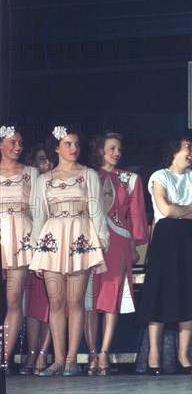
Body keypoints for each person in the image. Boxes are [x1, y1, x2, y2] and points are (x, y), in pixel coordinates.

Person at [29, 125, 109, 377]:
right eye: (68, 144)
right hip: (51, 242)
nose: (74, 148)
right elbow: (38, 217)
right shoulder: (44, 180)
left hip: (80, 240)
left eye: (76, 144)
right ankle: (58, 360)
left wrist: (101, 242)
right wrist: (35, 252)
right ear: (56, 148)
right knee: (56, 303)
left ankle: (72, 359)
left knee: (75, 302)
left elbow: (97, 212)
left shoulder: (89, 175)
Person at [136, 136, 192, 375]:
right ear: (174, 150)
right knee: (160, 293)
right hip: (165, 237)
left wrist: (182, 210)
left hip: (190, 237)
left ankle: (184, 357)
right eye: (188, 147)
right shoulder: (160, 176)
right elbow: (165, 210)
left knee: (189, 293)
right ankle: (153, 357)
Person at [83, 132, 149, 376]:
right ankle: (91, 353)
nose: (116, 153)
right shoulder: (86, 175)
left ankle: (104, 353)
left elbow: (135, 215)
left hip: (119, 243)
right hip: (88, 243)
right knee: (89, 300)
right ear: (100, 150)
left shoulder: (130, 179)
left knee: (111, 299)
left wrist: (133, 246)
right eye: (111, 148)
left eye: (119, 149)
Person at [0, 126, 38, 373]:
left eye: (20, 143)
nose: (18, 147)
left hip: (21, 238)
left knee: (14, 301)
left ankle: (4, 357)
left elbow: (37, 212)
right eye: (12, 142)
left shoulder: (31, 173)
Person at [20, 144, 53, 375]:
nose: (47, 164)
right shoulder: (29, 186)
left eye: (49, 159)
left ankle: (43, 352)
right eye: (42, 159)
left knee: (53, 304)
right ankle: (31, 353)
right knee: (33, 305)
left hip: (54, 248)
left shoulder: (60, 184)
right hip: (32, 249)